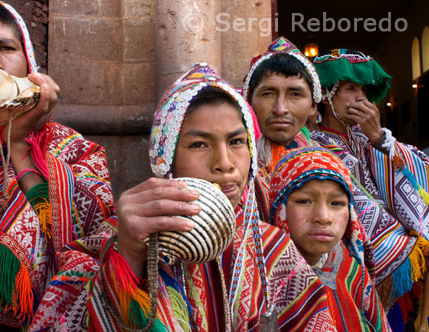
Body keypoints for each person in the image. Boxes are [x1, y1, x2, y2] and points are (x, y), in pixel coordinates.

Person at [58, 63, 339, 331]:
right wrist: (129, 257)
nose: (225, 162)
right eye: (199, 144)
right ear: (165, 158)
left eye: (237, 142)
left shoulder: (272, 248)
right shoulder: (119, 238)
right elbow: (63, 319)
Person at [0, 1, 116, 330]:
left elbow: (93, 245)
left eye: (6, 47)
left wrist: (18, 145)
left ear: (28, 65)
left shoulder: (74, 152)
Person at [312, 49, 429, 331]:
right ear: (326, 96)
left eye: (364, 90)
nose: (361, 98)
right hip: (349, 262)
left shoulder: (367, 136)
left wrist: (379, 138)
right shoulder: (313, 142)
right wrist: (402, 239)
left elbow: (420, 170)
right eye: (351, 89)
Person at [269, 146, 391, 331]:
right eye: (304, 201)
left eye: (337, 203)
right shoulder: (263, 280)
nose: (323, 217)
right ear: (279, 208)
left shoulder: (352, 272)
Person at [241, 36, 321, 220]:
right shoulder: (232, 161)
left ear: (312, 107)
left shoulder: (322, 160)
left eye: (295, 94)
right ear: (248, 100)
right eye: (268, 93)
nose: (280, 109)